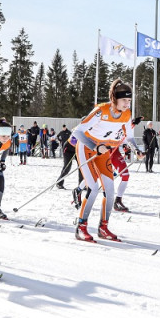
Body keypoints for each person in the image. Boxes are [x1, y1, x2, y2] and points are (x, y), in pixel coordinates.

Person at [71, 78, 144, 242]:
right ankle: (81, 227)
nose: (127, 104)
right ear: (114, 98)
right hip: (86, 147)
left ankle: (103, 227)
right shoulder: (101, 110)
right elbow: (77, 131)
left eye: (129, 100)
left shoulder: (126, 114)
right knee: (93, 188)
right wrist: (95, 146)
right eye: (124, 100)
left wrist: (137, 150)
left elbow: (128, 136)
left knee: (110, 191)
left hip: (103, 151)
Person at [55, 124, 75, 189]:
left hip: (75, 148)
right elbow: (57, 136)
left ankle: (83, 185)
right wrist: (60, 140)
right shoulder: (62, 132)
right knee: (67, 167)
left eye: (64, 127)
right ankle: (59, 182)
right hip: (67, 148)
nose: (64, 128)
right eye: (63, 127)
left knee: (82, 168)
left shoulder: (68, 132)